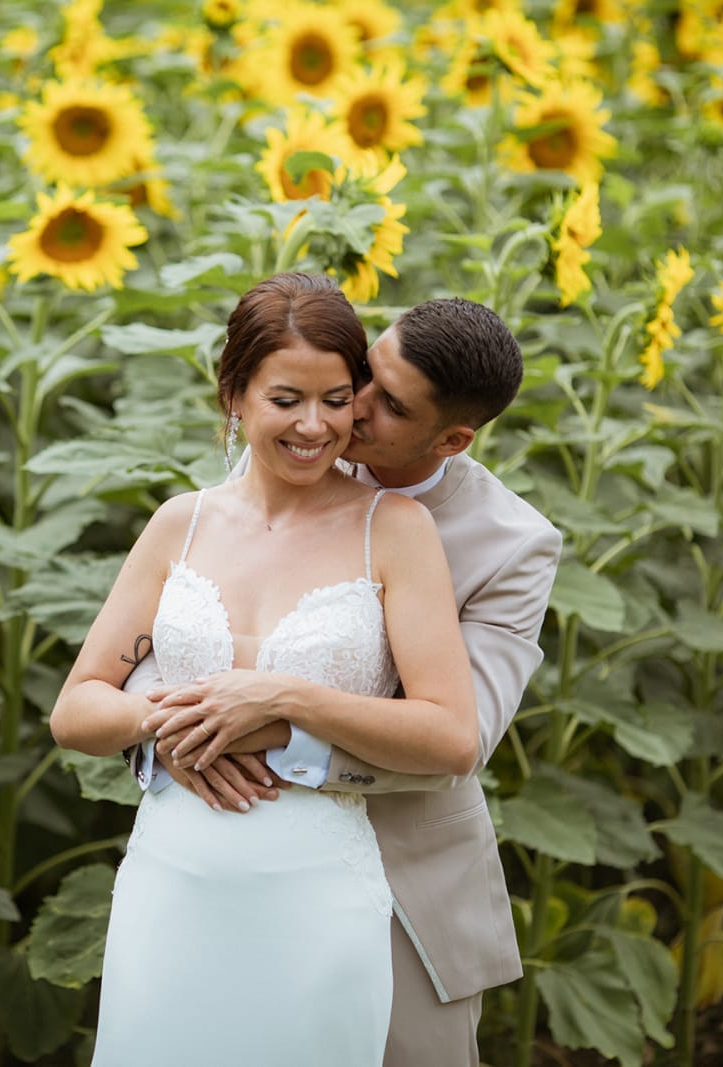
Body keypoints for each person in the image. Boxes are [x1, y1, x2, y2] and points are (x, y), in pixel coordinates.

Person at [49, 272, 481, 1065]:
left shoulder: (395, 529)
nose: (315, 425)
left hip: (317, 898)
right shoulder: (180, 524)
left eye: (336, 398)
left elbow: (452, 735)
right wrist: (175, 721)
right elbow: (75, 709)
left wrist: (287, 697)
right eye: (286, 399)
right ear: (235, 396)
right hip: (169, 886)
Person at [130, 295, 564, 1067]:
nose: (348, 409)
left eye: (388, 404)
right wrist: (169, 735)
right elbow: (186, 621)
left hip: (404, 890)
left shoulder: (512, 547)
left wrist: (274, 725)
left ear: (454, 437)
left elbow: (461, 743)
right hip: (222, 868)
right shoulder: (305, 438)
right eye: (366, 374)